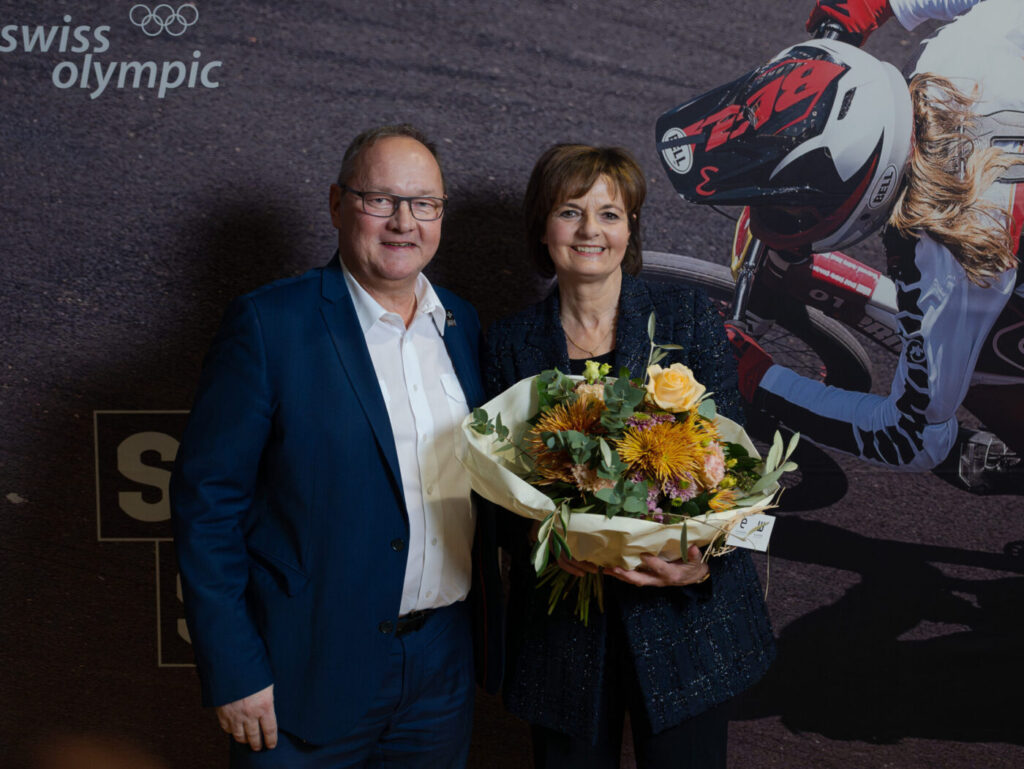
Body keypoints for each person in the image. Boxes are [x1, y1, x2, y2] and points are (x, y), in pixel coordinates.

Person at [170, 123, 500, 768]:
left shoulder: (461, 324)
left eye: (423, 203)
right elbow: (207, 506)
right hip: (307, 669)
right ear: (336, 204)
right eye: (379, 199)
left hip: (440, 670)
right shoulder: (270, 325)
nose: (403, 222)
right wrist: (234, 668)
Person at [484, 144, 775, 769]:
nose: (591, 231)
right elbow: (491, 505)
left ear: (631, 227)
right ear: (543, 227)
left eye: (610, 214)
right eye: (570, 211)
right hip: (564, 640)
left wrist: (704, 564)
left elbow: (751, 493)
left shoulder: (689, 318)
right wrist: (545, 539)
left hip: (688, 629)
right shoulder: (506, 344)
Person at [661, 0, 1024, 475]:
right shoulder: (960, 53)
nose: (778, 215)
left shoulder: (952, 256)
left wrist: (755, 377)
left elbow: (912, 440)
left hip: (990, 244)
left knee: (980, 358)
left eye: (789, 207)